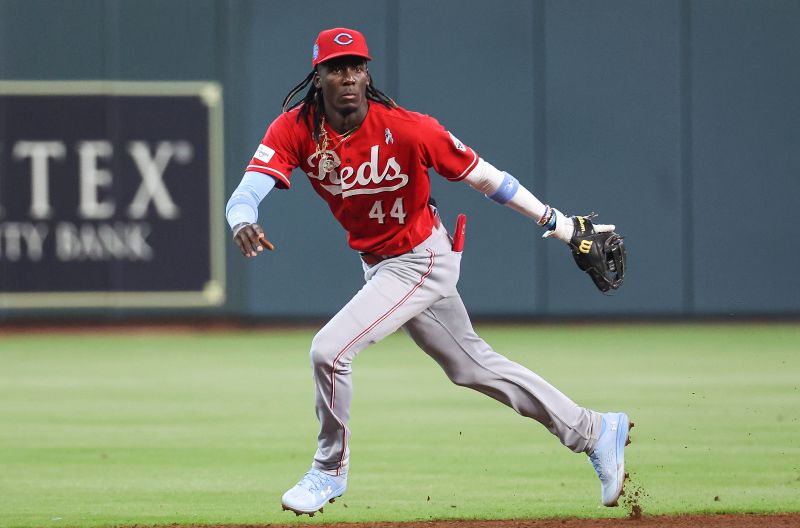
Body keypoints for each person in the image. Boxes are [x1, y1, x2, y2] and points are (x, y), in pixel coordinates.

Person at [226, 27, 632, 516]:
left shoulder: (409, 128)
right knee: (471, 366)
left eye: (357, 66)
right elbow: (245, 192)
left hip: (421, 259)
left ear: (367, 73)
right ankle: (595, 430)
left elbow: (489, 178)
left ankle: (328, 471)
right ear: (319, 77)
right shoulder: (294, 130)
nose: (349, 77)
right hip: (382, 265)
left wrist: (561, 226)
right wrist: (243, 220)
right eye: (337, 68)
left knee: (328, 352)